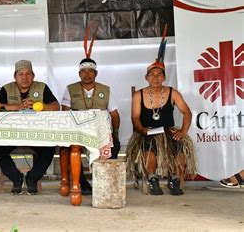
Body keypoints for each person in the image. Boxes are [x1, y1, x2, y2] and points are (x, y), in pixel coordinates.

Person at [126, 58, 196, 196]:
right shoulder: (139, 95)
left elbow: (187, 112)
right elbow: (135, 117)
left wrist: (183, 132)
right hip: (147, 131)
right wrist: (141, 130)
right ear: (146, 78)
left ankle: (174, 180)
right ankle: (153, 179)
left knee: (179, 150)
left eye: (159, 75)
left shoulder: (172, 93)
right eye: (152, 75)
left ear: (164, 77)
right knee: (149, 151)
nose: (155, 78)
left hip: (168, 131)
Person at [0, 60, 60, 195]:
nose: (24, 77)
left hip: (37, 133)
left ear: (33, 76)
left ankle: (32, 178)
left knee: (49, 149)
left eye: (28, 74)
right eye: (21, 74)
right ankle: (16, 178)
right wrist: (17, 106)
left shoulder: (41, 87)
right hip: (12, 134)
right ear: (15, 77)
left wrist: (40, 105)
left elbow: (56, 106)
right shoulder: (7, 88)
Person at [61, 57, 121, 195]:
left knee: (114, 145)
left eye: (90, 71)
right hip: (77, 131)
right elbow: (64, 112)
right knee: (69, 148)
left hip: (100, 131)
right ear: (79, 74)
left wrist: (115, 133)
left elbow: (115, 114)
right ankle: (82, 183)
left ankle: (102, 181)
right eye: (83, 71)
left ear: (96, 73)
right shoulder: (70, 89)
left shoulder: (105, 90)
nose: (87, 75)